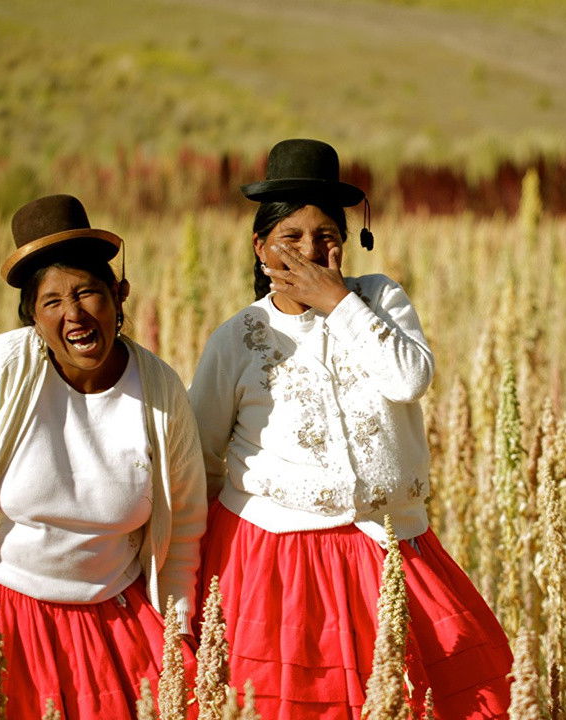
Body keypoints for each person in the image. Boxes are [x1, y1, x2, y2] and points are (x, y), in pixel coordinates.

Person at [189, 139, 512, 719]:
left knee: (420, 697)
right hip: (274, 560)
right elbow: (201, 450)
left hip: (385, 547)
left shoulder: (378, 298)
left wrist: (340, 303)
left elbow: (409, 378)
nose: (310, 253)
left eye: (326, 237)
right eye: (291, 239)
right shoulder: (239, 335)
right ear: (260, 247)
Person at [0, 194, 206, 719]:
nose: (75, 314)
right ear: (33, 319)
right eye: (53, 302)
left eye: (88, 293)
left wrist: (176, 623)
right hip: (1, 613)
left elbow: (185, 523)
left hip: (113, 623)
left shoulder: (159, 390)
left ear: (119, 294)